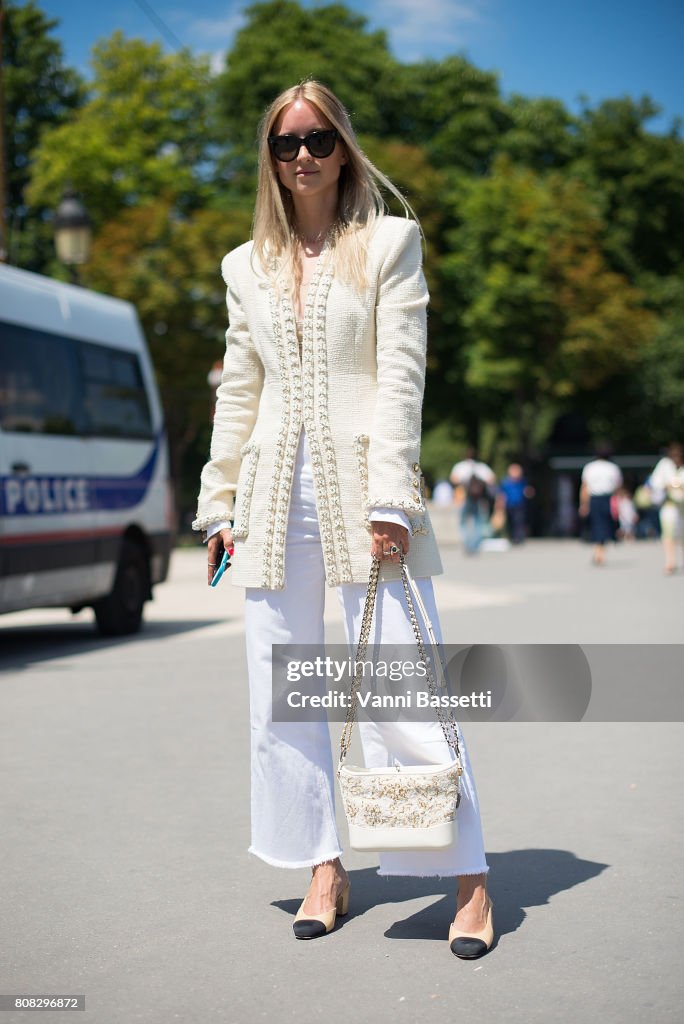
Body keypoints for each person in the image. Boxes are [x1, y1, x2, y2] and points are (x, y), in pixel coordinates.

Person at [192, 81, 492, 957]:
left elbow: (402, 377)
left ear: (344, 147)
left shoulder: (390, 245)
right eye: (286, 144)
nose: (303, 158)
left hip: (368, 498)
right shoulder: (242, 265)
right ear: (270, 158)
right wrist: (218, 505)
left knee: (407, 685)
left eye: (318, 140)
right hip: (268, 500)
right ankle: (322, 866)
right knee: (282, 698)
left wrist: (394, 498)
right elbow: (238, 393)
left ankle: (470, 880)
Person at [578, 443, 622, 566]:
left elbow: (585, 487)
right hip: (608, 498)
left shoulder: (590, 467)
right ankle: (600, 552)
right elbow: (617, 487)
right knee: (606, 525)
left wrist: (584, 504)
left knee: (596, 524)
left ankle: (597, 551)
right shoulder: (613, 468)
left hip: (594, 499)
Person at [449, 447, 496, 554]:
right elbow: (491, 479)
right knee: (479, 521)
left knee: (463, 522)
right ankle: (475, 545)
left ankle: (467, 544)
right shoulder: (481, 467)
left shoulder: (460, 467)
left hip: (464, 498)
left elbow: (453, 479)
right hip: (479, 499)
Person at [649, 442, 684, 574]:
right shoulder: (665, 465)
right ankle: (670, 561)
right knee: (669, 533)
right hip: (669, 504)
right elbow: (655, 482)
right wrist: (668, 485)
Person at [498, 462, 535, 544]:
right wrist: (500, 503)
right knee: (510, 522)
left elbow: (527, 490)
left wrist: (528, 492)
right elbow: (501, 493)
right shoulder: (505, 482)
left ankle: (519, 538)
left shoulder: (523, 481)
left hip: (520, 505)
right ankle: (512, 537)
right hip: (509, 505)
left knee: (519, 521)